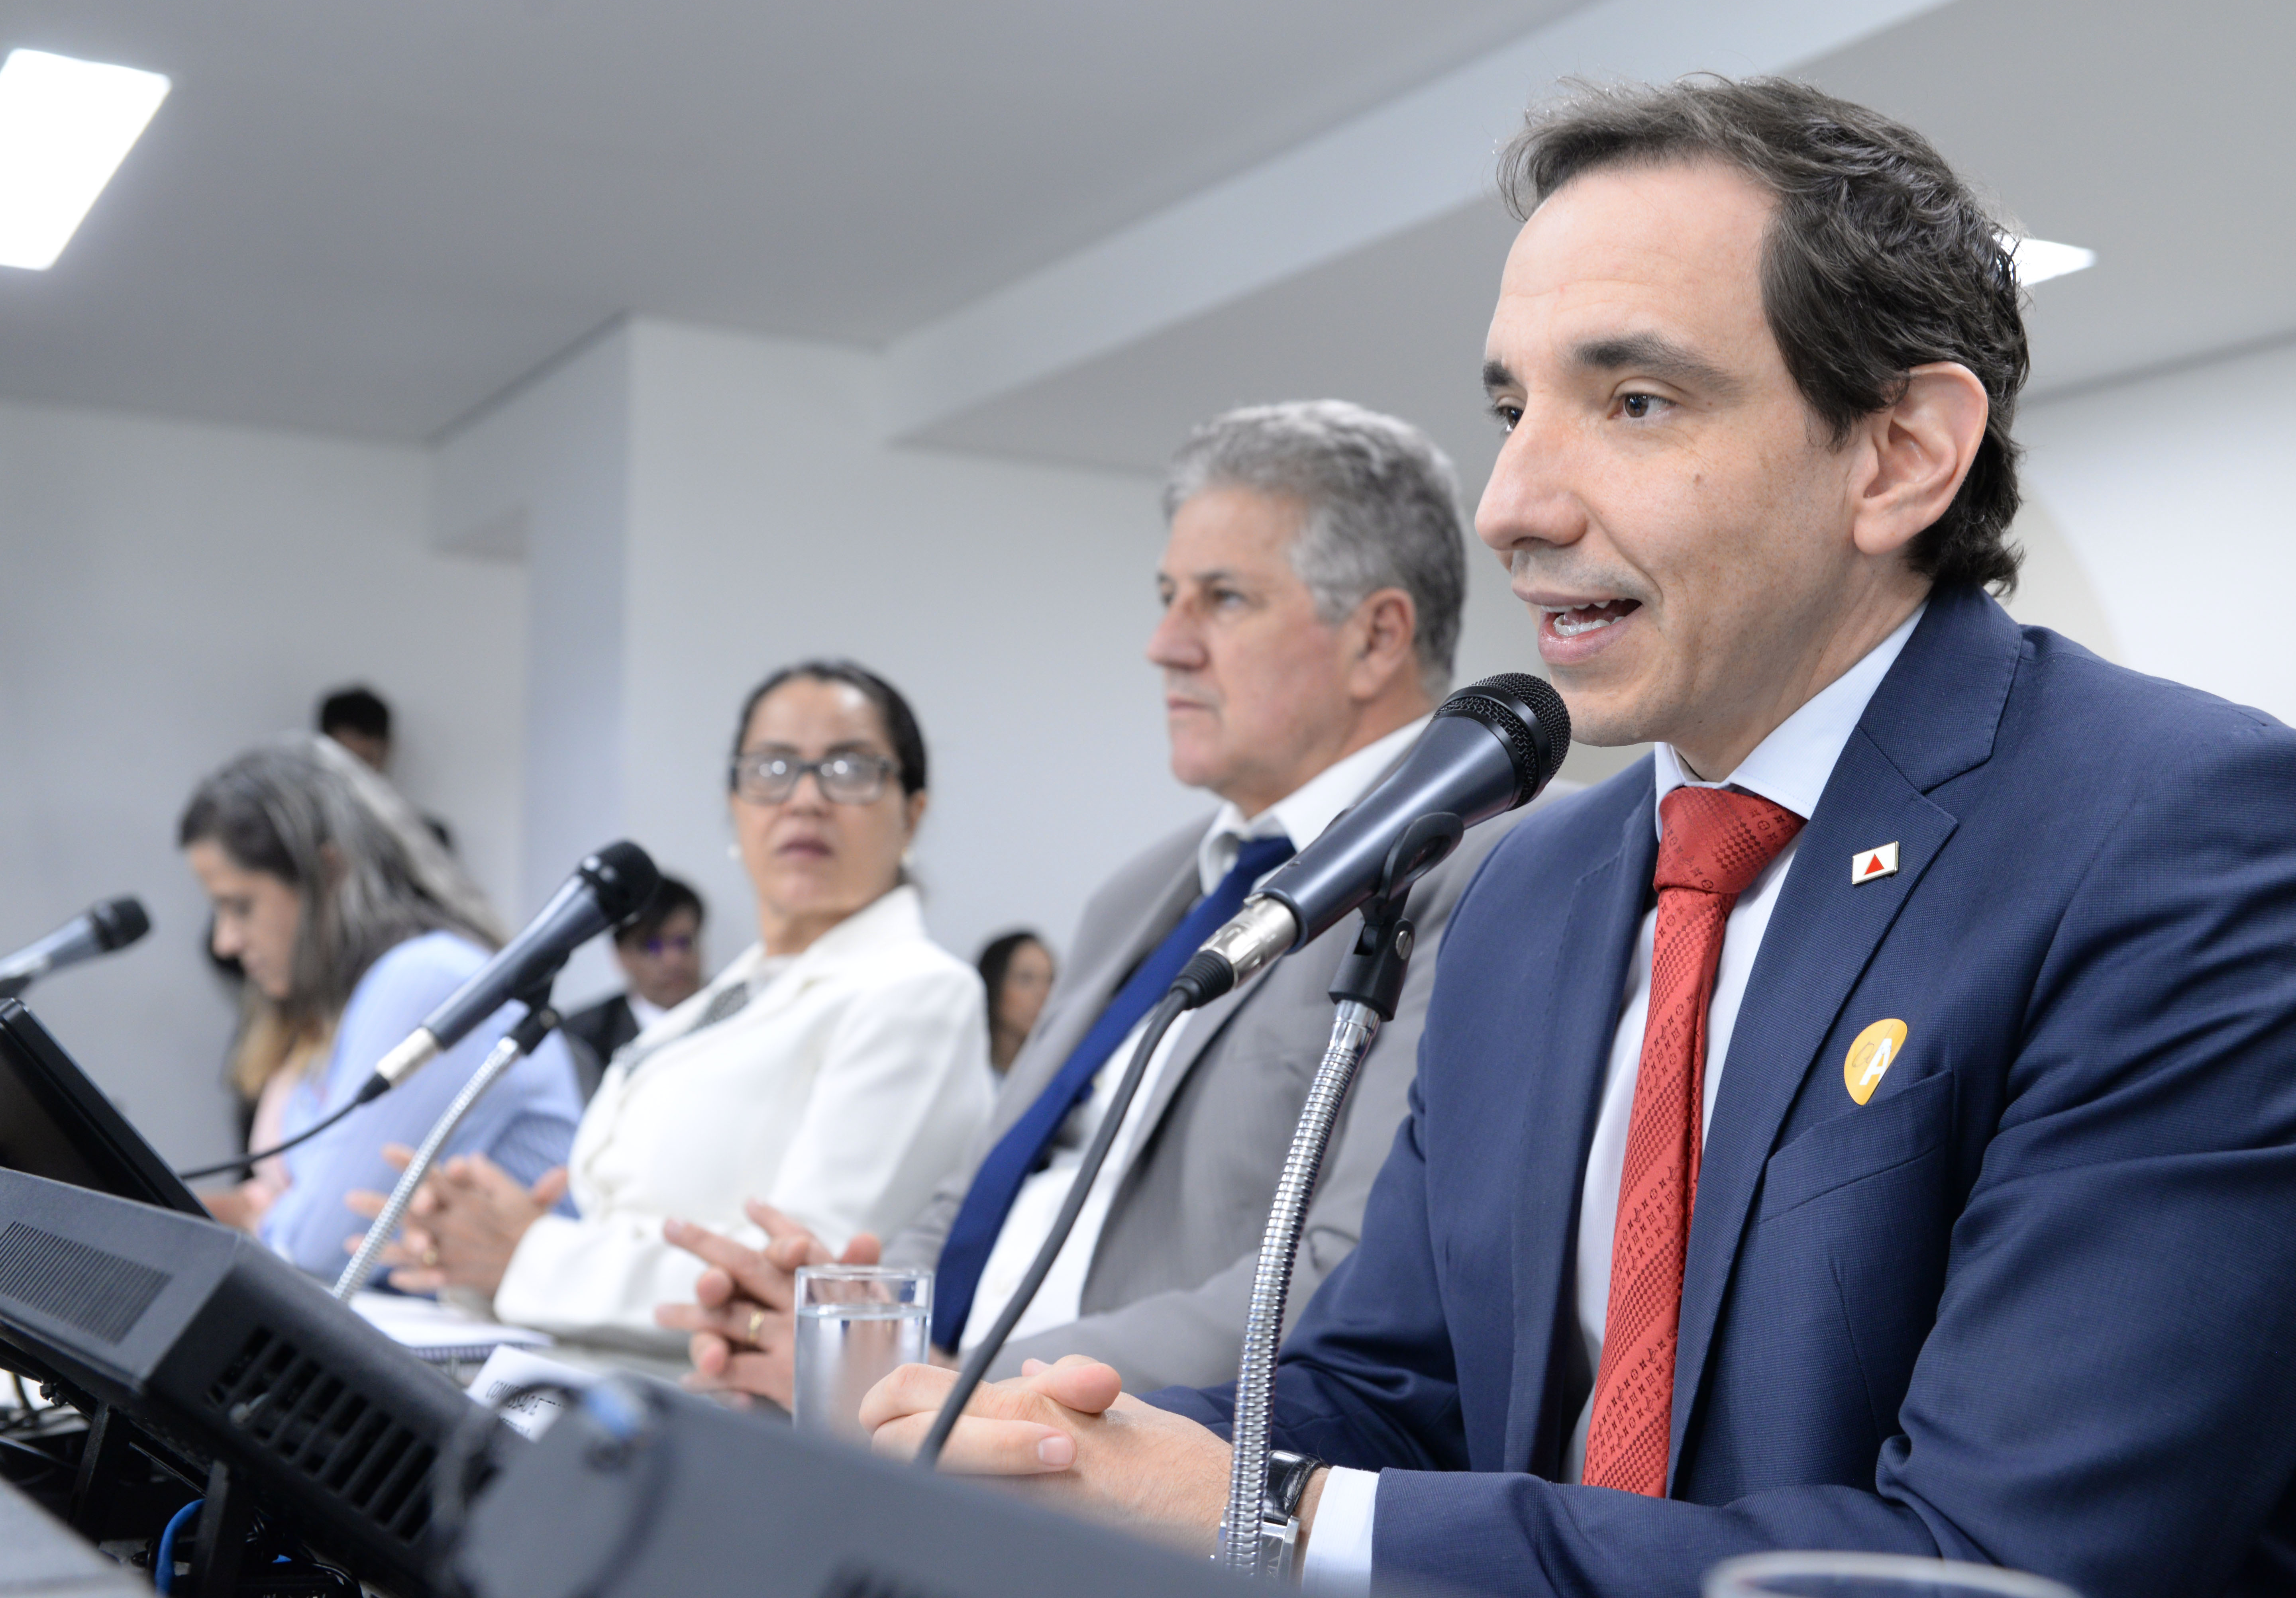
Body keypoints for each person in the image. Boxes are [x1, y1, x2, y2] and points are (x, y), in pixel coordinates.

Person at [856, 78, 2296, 1598]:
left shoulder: (2194, 843)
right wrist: (1065, 1444)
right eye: (1509, 410)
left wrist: (1268, 1514)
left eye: (1633, 401)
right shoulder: (1534, 878)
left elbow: (1992, 1567)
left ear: (1897, 456)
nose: (1510, 504)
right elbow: (1394, 1392)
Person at [656, 399, 1561, 1402]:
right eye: (1168, 596)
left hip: (1115, 1446)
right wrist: (848, 1322)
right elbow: (979, 1190)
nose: (1164, 644)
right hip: (935, 1415)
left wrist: (947, 1386)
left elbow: (1345, 1277)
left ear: (1376, 638)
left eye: (1221, 600)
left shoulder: (1496, 867)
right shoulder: (1144, 886)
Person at [354, 661, 993, 1359]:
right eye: (772, 768)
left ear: (913, 814)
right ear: (735, 806)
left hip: (731, 1405)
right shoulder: (733, 993)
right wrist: (478, 1247)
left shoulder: (921, 991)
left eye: (849, 769)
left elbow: (810, 1276)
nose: (806, 798)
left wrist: (531, 1258)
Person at [179, 735, 584, 1279]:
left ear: (328, 874)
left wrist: (273, 1215)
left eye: (240, 906)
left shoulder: (423, 978)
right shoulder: (344, 999)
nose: (225, 941)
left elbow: (322, 1247)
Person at [560, 874, 707, 1097]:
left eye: (684, 942)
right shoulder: (582, 1040)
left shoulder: (740, 1013)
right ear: (621, 955)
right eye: (652, 946)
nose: (674, 960)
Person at [318, 684, 453, 848]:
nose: (356, 774)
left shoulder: (427, 837)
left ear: (387, 751)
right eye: (345, 761)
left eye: (366, 761)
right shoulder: (298, 837)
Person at [973, 929, 1052, 1075]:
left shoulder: (1055, 1076)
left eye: (1051, 980)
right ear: (994, 986)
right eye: (1026, 979)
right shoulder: (962, 1071)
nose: (1044, 994)